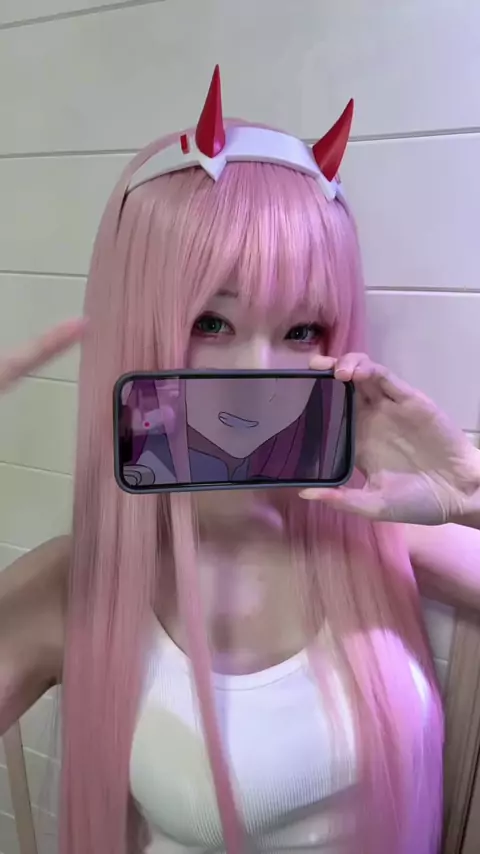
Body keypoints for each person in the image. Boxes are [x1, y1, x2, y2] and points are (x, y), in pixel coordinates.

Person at [0, 66, 479, 854]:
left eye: (302, 332)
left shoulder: (379, 535)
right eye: (212, 324)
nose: (258, 373)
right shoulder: (76, 587)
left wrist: (470, 492)